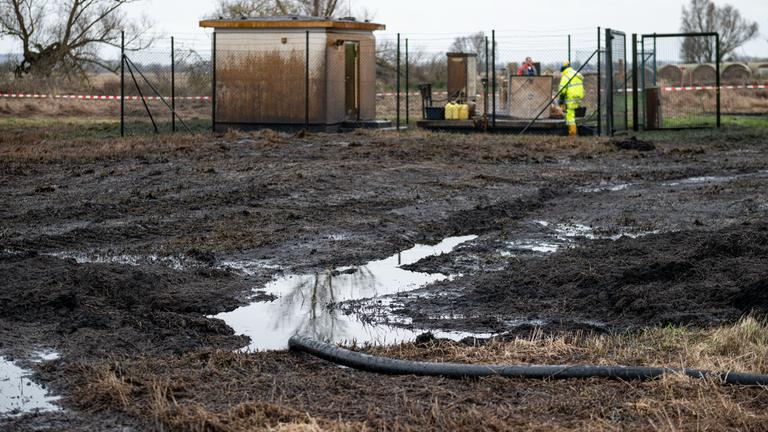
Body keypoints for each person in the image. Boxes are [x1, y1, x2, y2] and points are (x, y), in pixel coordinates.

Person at [558, 61, 584, 137]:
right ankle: (575, 130)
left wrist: (561, 99)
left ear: (563, 69)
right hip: (578, 97)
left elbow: (562, 90)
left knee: (570, 115)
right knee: (574, 114)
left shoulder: (565, 76)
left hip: (570, 98)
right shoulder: (576, 74)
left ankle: (572, 134)